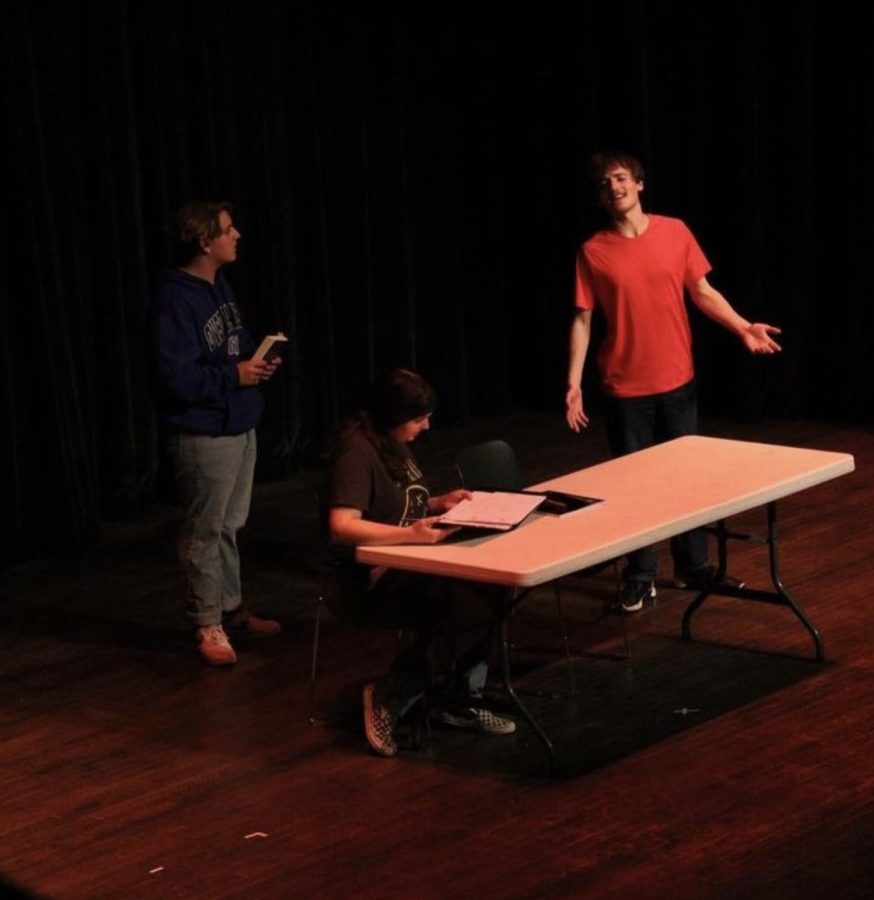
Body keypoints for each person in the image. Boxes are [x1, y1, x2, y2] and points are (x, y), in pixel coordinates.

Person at [565, 151, 782, 612]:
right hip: (625, 388)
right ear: (600, 197)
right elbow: (583, 319)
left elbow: (702, 292)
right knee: (633, 489)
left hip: (677, 379)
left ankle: (692, 565)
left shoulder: (675, 231)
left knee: (686, 481)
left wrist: (743, 327)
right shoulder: (593, 251)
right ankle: (641, 574)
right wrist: (574, 382)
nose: (614, 188)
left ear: (639, 184)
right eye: (605, 184)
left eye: (621, 179)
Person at [327, 368, 516, 758]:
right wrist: (411, 535)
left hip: (413, 558)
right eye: (418, 419)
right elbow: (342, 526)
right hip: (371, 578)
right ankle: (388, 699)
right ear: (394, 417)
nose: (426, 426)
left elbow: (398, 503)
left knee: (494, 589)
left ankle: (459, 698)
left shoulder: (393, 441)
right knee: (469, 609)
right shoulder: (356, 453)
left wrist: (438, 503)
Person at [151, 201, 282, 665]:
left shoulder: (219, 286)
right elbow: (176, 376)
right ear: (205, 242)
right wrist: (234, 377)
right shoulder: (175, 298)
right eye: (227, 229)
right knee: (204, 531)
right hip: (204, 430)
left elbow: (232, 346)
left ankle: (231, 608)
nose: (237, 235)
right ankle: (207, 623)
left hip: (238, 422)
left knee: (230, 526)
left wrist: (254, 364)